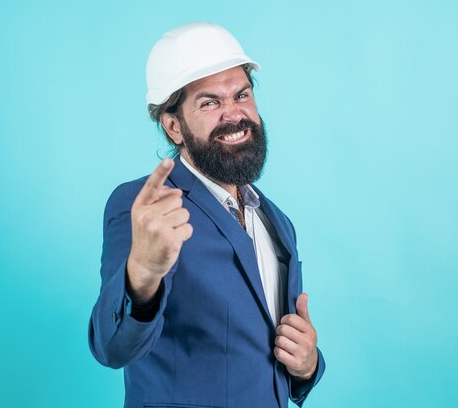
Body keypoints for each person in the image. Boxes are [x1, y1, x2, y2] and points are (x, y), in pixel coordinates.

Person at [89, 22, 325, 407]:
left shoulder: (276, 221)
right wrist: (142, 277)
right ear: (173, 126)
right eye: (209, 102)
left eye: (242, 95)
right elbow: (113, 348)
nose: (234, 115)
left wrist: (307, 366)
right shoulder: (148, 209)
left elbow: (262, 359)